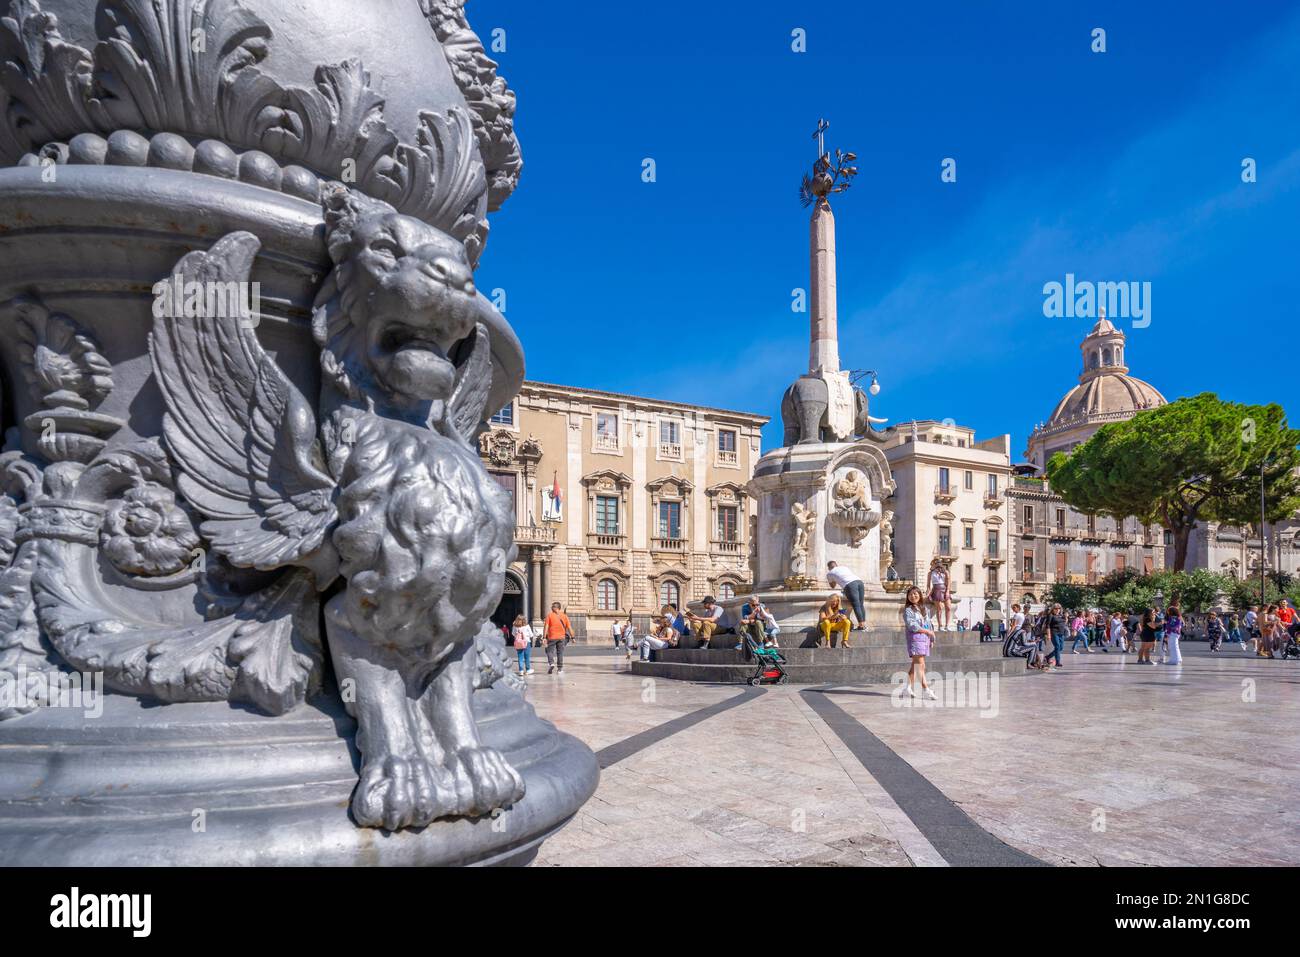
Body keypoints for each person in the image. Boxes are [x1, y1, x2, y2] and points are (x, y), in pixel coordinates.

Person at [901, 585, 937, 698]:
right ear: (908, 597)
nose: (913, 596)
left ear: (920, 595)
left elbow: (929, 624)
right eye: (910, 594)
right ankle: (926, 689)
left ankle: (907, 688)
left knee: (916, 665)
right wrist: (928, 632)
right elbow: (912, 626)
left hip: (924, 639)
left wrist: (931, 637)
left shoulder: (924, 609)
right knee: (920, 665)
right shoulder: (908, 610)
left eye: (915, 594)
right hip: (915, 639)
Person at [826, 561, 868, 630]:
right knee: (861, 604)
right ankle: (864, 625)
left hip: (850, 585)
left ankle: (861, 626)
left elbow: (832, 586)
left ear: (829, 568)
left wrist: (834, 579)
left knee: (856, 605)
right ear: (836, 565)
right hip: (859, 582)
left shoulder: (830, 573)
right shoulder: (844, 567)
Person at [543, 601, 572, 674]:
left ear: (556, 608)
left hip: (552, 637)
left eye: (552, 607)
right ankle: (560, 669)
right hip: (561, 637)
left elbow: (546, 627)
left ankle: (551, 663)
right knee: (560, 653)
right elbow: (569, 627)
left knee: (549, 651)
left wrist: (544, 637)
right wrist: (573, 637)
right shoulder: (564, 616)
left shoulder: (549, 615)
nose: (551, 608)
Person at [1040, 602, 1067, 671]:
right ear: (1053, 609)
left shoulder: (1061, 615)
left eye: (1059, 608)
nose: (1057, 610)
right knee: (1057, 646)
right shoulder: (1050, 615)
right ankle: (1058, 662)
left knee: (1061, 648)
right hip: (1054, 632)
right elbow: (1048, 625)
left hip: (1061, 633)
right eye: (1055, 608)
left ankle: (1048, 657)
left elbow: (1064, 623)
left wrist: (1066, 617)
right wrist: (1049, 634)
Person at [926, 560, 952, 631]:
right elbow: (928, 585)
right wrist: (928, 593)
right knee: (939, 608)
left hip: (944, 589)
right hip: (936, 589)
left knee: (949, 607)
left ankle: (947, 625)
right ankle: (940, 626)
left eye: (938, 563)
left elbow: (949, 583)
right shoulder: (930, 573)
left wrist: (947, 591)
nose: (937, 564)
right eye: (935, 563)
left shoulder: (946, 572)